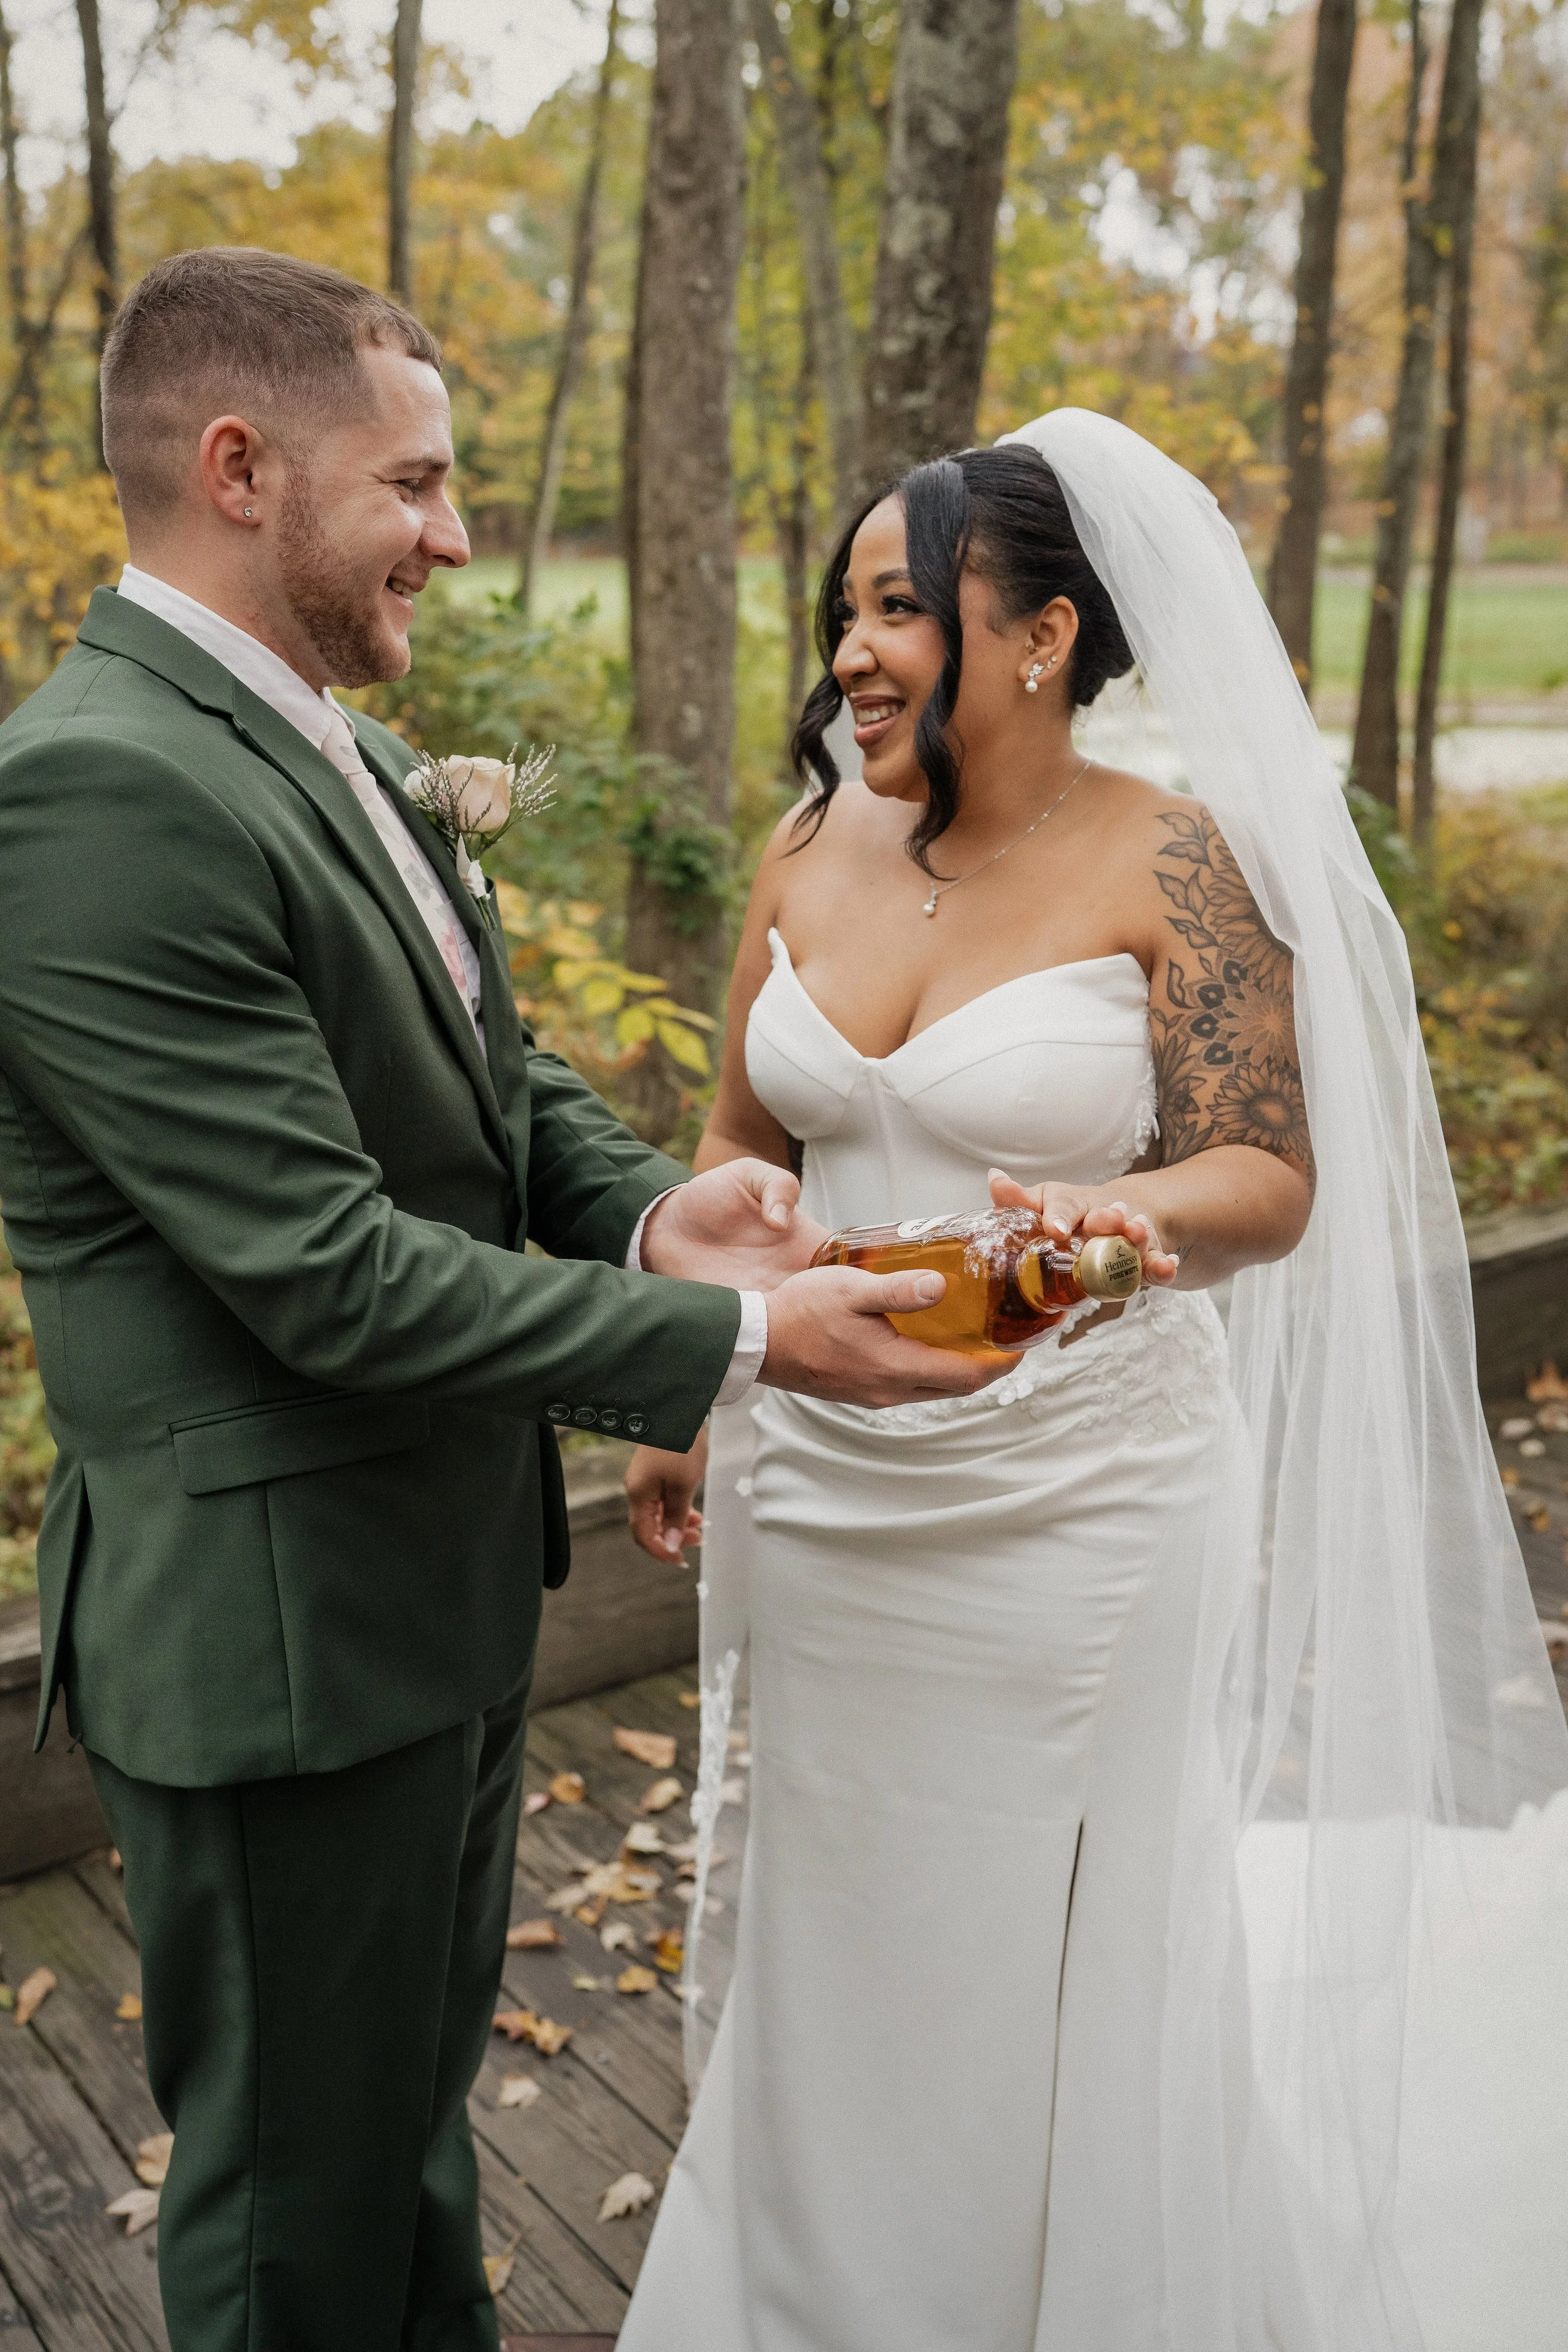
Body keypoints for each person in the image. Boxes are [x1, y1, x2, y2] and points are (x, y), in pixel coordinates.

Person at [0, 247, 1002, 2352]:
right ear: (240, 465)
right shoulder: (97, 791)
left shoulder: (315, 738)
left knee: (407, 2151)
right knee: (295, 2209)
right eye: (421, 486)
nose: (458, 536)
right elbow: (323, 1274)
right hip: (276, 1640)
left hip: (419, 1591)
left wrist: (665, 1218)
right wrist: (743, 1342)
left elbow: (484, 1070)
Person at [619, 416, 1568, 2350]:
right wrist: (683, 1385)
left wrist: (1118, 1215)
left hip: (1086, 1501)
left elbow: (1268, 1174)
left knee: (1062, 1948)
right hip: (822, 1486)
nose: (853, 649)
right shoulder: (805, 844)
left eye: (902, 605)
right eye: (845, 607)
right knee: (846, 1933)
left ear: (1038, 634)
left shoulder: (1175, 859)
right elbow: (738, 1151)